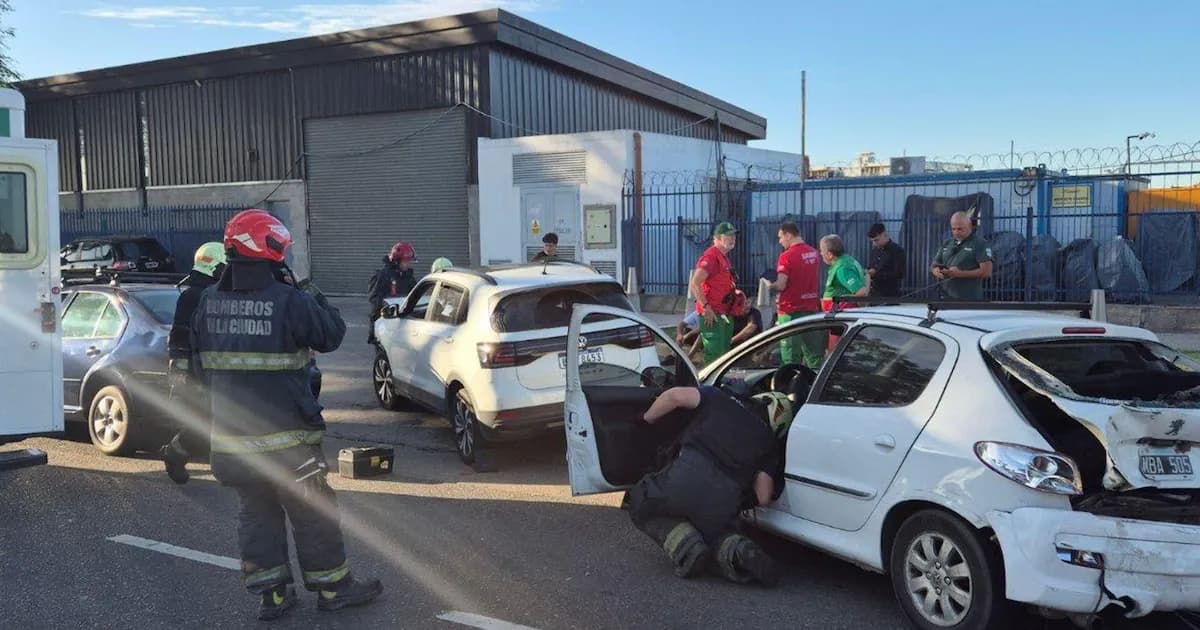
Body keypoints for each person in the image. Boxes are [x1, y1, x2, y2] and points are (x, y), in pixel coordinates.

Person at [192, 209, 382, 620]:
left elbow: (198, 367)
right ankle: (333, 589)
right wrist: (307, 289)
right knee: (312, 512)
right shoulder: (288, 299)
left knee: (256, 514)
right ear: (268, 248)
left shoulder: (208, 302)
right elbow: (331, 334)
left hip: (232, 441)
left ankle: (273, 596)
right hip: (288, 440)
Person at [625, 386, 789, 586]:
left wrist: (645, 419)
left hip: (684, 479)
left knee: (641, 501)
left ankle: (687, 547)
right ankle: (736, 549)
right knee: (715, 534)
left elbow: (675, 396)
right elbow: (763, 497)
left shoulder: (718, 397)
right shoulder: (770, 443)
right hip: (723, 501)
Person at [159, 241, 227, 485]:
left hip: (219, 370)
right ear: (216, 268)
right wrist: (182, 374)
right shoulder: (193, 297)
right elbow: (179, 336)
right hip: (198, 373)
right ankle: (174, 453)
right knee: (203, 424)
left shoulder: (219, 294)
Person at [767, 222, 822, 368]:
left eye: (780, 237)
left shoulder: (786, 256)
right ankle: (815, 379)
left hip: (790, 310)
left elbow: (781, 285)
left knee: (790, 355)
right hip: (811, 309)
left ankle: (791, 381)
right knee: (813, 354)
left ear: (788, 235)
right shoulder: (814, 253)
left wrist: (769, 286)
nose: (780, 241)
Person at [689, 222, 739, 364]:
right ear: (716, 238)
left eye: (733, 235)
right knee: (714, 355)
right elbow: (695, 283)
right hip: (712, 313)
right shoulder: (710, 257)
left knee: (724, 355)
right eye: (728, 235)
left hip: (724, 312)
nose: (733, 238)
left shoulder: (724, 258)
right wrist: (706, 308)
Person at [676, 290, 761, 358]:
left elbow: (750, 329)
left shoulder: (754, 313)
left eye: (748, 303)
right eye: (744, 304)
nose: (747, 306)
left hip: (746, 346)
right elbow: (711, 326)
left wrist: (730, 341)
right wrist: (686, 336)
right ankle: (689, 357)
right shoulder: (730, 313)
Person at [931, 211, 993, 301]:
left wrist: (959, 274)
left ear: (970, 227)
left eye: (960, 229)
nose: (956, 232)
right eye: (953, 229)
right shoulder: (947, 243)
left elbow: (986, 272)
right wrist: (935, 271)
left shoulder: (979, 244)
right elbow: (934, 264)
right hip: (945, 297)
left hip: (969, 299)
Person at [367, 241, 416, 344]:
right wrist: (388, 308)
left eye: (410, 261)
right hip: (385, 323)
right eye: (406, 261)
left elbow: (415, 296)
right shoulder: (382, 276)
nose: (409, 264)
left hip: (402, 323)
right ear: (397, 261)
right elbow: (374, 298)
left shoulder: (409, 277)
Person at [819, 234, 869, 312]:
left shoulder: (842, 269)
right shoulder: (848, 260)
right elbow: (866, 275)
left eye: (822, 250)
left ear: (830, 255)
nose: (821, 253)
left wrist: (844, 301)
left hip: (841, 315)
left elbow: (861, 292)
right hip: (838, 313)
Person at [866, 223, 906, 298]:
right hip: (874, 295)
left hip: (890, 296)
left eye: (876, 240)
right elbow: (871, 266)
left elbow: (899, 274)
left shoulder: (897, 251)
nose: (874, 244)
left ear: (884, 234)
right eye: (872, 241)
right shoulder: (875, 251)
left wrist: (877, 274)